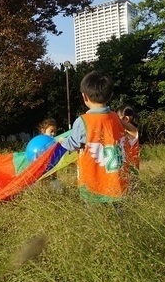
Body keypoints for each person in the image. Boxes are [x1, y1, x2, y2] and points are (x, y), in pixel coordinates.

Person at [59, 71, 129, 203]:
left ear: (84, 97)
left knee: (94, 214)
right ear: (110, 95)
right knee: (118, 214)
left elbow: (73, 144)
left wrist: (62, 141)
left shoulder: (83, 121)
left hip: (93, 185)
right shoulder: (115, 117)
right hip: (117, 183)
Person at [116, 105, 140, 172]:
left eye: (118, 117)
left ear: (126, 119)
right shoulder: (123, 132)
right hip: (124, 170)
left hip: (131, 171)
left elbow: (117, 121)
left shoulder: (133, 130)